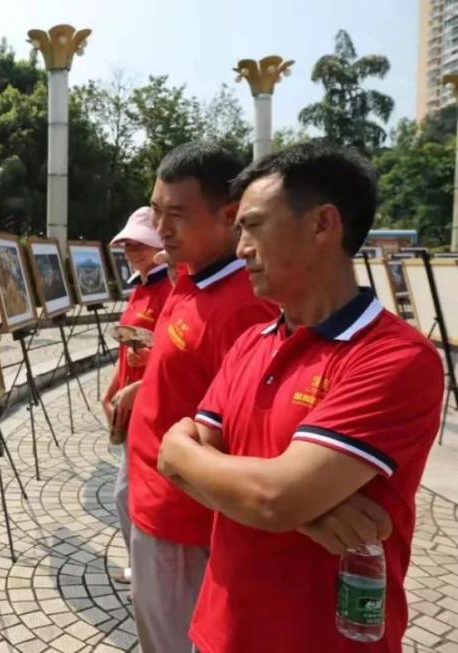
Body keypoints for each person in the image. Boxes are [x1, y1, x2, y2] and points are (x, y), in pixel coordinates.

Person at [157, 143, 444, 652]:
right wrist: (304, 511)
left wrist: (280, 501)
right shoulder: (254, 342)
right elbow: (173, 454)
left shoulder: (395, 358)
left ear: (322, 225)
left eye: (254, 225)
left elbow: (270, 496)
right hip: (217, 631)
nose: (241, 246)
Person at [126, 143, 277, 652]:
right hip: (152, 502)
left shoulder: (243, 308)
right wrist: (141, 388)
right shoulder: (190, 278)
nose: (161, 229)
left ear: (229, 215)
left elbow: (245, 433)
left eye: (176, 215)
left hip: (184, 523)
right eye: (155, 211)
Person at [101, 206, 173, 590]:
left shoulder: (169, 289)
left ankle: (146, 569)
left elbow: (177, 354)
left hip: (155, 405)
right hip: (132, 403)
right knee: (129, 492)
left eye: (140, 243)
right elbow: (129, 349)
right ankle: (141, 565)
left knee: (128, 493)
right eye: (127, 244)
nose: (132, 250)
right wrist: (113, 388)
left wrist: (138, 386)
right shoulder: (141, 288)